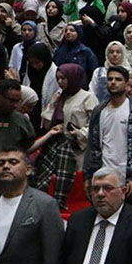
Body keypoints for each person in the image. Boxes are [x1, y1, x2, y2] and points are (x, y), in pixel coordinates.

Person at [29, 63, 95, 210]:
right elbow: (45, 124)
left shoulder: (87, 98)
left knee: (73, 187)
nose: (60, 82)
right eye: (58, 79)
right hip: (56, 147)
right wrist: (52, 104)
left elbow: (95, 126)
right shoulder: (59, 97)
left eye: (64, 78)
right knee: (45, 181)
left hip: (77, 150)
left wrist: (79, 133)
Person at [82, 67, 132, 200]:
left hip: (127, 178)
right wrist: (88, 176)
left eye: (118, 79)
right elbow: (92, 145)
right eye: (110, 79)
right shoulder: (98, 111)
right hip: (102, 175)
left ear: (126, 85)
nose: (113, 82)